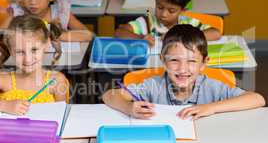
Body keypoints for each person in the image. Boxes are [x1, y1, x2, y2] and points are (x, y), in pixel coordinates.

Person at [103, 24, 265, 120]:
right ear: (163, 60)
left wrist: (211, 107)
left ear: (204, 64)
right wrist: (129, 108)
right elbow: (109, 95)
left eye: (192, 61)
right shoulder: (153, 85)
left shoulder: (211, 87)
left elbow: (257, 99)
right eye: (174, 60)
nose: (182, 69)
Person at [0, 15, 69, 115]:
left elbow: (61, 116)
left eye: (34, 50)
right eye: (20, 52)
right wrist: (5, 106)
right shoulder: (2, 80)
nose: (28, 59)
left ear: (47, 44)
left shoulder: (56, 80)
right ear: (10, 50)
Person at [115, 0, 221, 46]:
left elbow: (216, 33)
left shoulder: (187, 23)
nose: (164, 14)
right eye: (160, 7)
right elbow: (119, 32)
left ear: (183, 10)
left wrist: (181, 37)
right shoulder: (147, 22)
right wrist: (141, 38)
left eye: (171, 10)